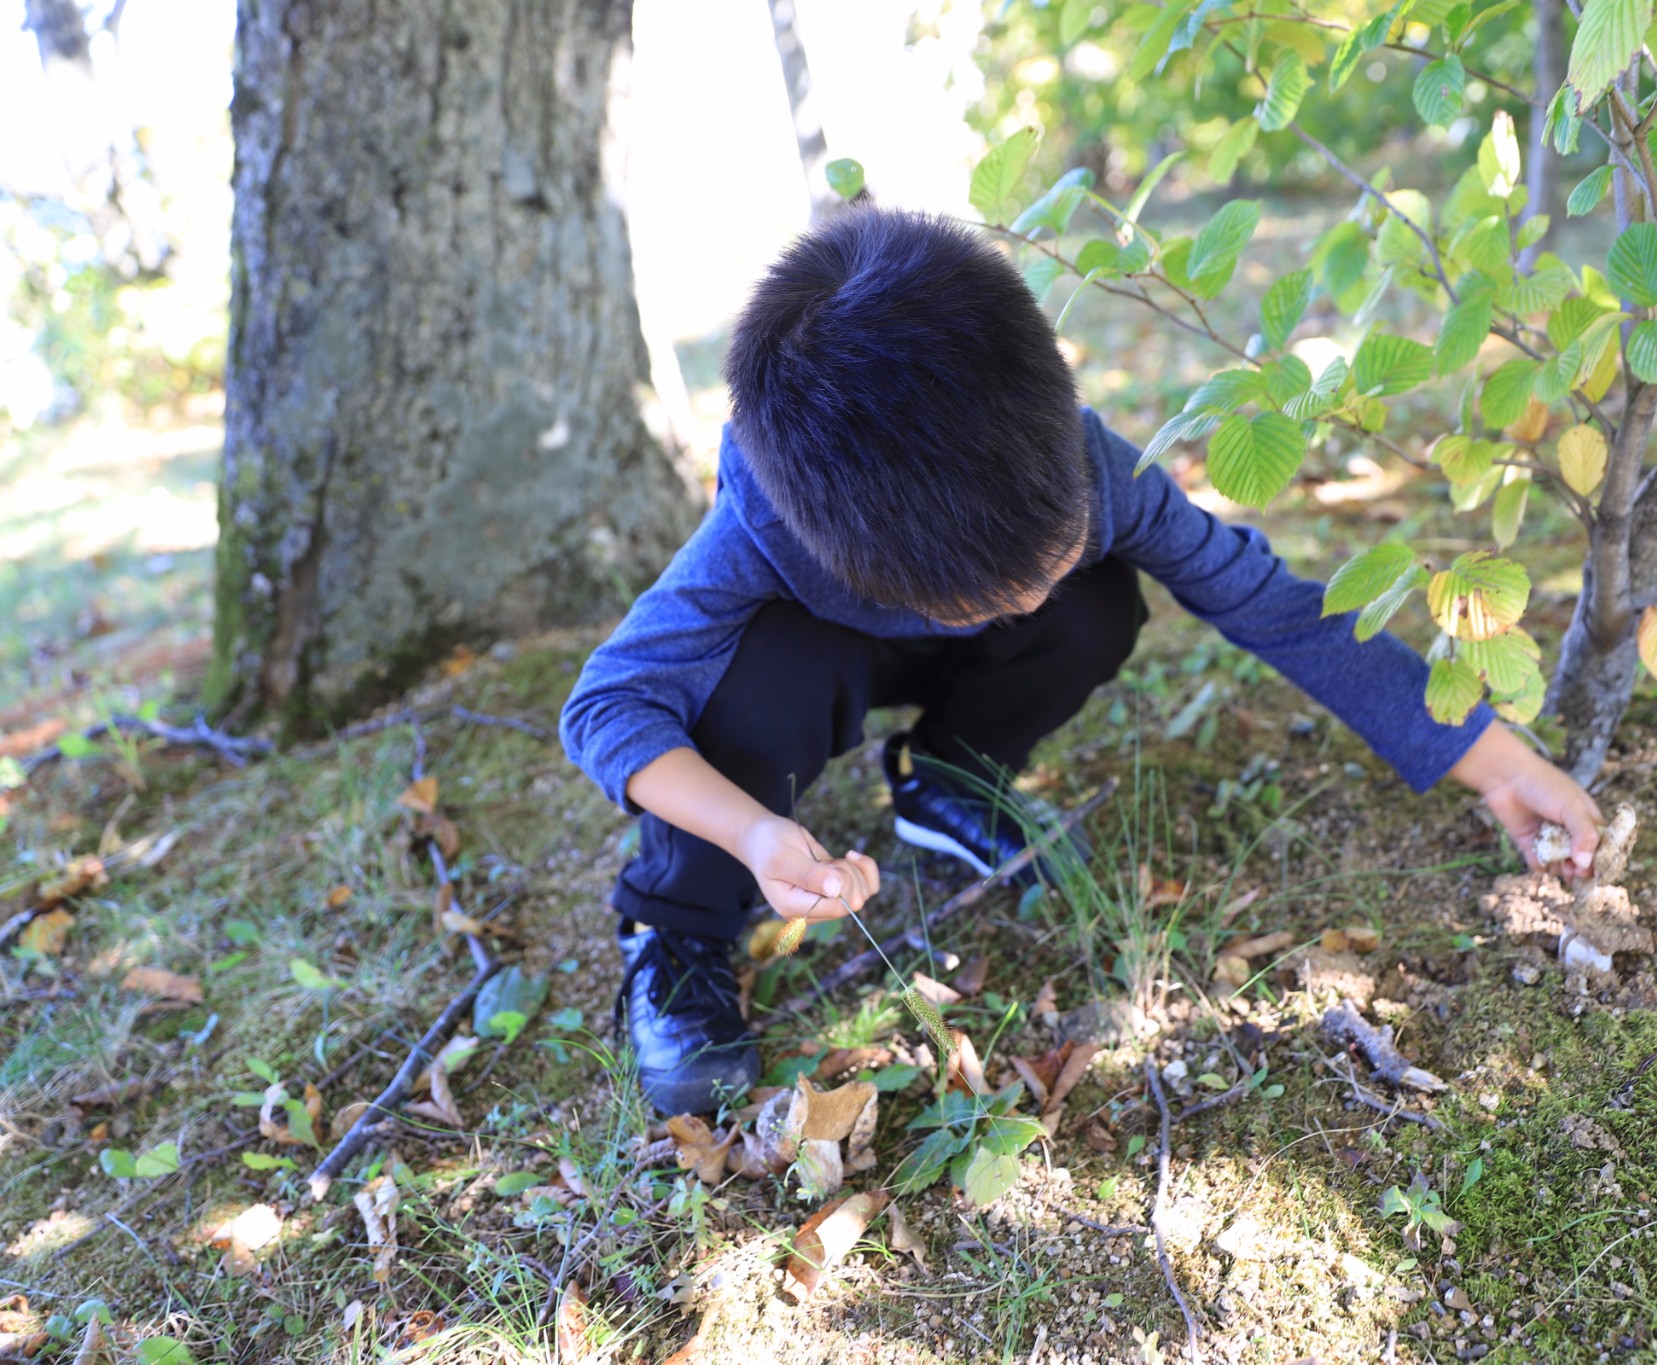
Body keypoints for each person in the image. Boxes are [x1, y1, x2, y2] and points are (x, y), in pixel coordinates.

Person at [559, 206, 1601, 1116]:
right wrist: (749, 831)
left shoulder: (1099, 471)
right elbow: (608, 704)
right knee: (762, 673)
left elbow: (1275, 609)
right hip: (825, 663)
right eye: (994, 588)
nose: (1023, 596)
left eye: (1044, 558)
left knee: (1098, 605)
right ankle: (678, 929)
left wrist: (1493, 756)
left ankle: (949, 775)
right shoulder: (761, 526)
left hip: (951, 662)